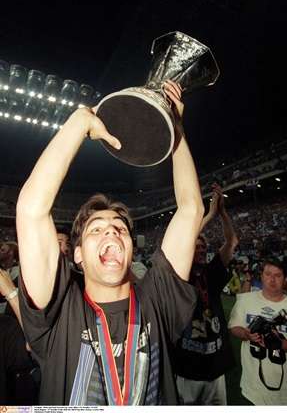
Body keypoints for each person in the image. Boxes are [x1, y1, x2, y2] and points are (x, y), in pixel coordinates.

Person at [16, 80, 204, 405]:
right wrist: (80, 121)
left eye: (119, 227)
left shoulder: (157, 299)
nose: (112, 232)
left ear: (131, 248)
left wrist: (175, 130)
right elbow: (31, 210)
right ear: (76, 254)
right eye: (96, 229)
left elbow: (191, 210)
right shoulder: (59, 311)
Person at [174, 183, 238, 405]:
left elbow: (231, 242)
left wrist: (222, 214)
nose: (201, 250)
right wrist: (209, 214)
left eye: (204, 248)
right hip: (187, 367)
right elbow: (182, 243)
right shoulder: (180, 276)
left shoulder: (211, 272)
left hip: (215, 365)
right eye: (196, 247)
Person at [229, 259, 287, 405]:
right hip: (251, 390)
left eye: (278, 275)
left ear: (285, 279)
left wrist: (281, 343)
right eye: (268, 274)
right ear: (261, 276)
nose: (272, 279)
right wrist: (246, 335)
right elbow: (234, 327)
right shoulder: (245, 300)